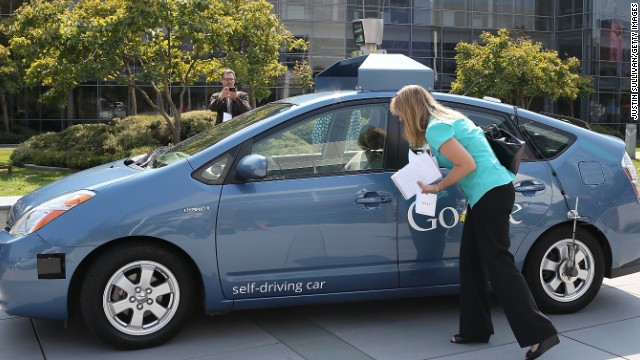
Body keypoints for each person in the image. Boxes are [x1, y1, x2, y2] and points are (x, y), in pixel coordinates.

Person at [390, 85, 559, 360]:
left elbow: (466, 164)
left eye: (400, 115)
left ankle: (540, 333)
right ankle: (475, 329)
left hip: (490, 195)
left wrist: (437, 187)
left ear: (410, 111)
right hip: (487, 194)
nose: (399, 121)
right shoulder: (448, 119)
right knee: (471, 262)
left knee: (499, 265)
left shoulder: (436, 128)